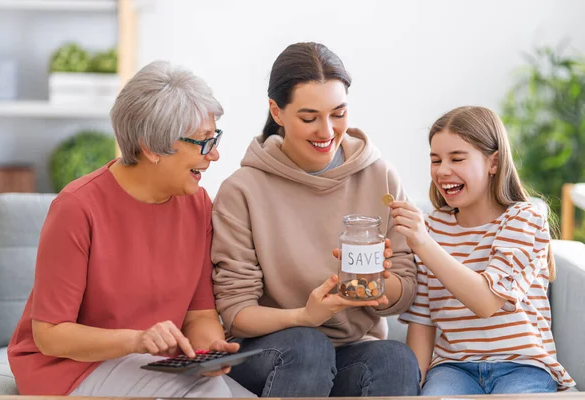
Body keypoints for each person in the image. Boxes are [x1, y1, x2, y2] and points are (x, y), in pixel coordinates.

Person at [7, 60, 254, 398]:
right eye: (202, 142)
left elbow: (199, 314)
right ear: (152, 147)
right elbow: (50, 334)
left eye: (214, 139)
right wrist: (136, 339)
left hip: (145, 362)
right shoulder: (76, 208)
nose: (214, 155)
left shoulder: (197, 205)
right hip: (68, 368)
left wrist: (210, 350)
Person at [211, 42, 421, 397]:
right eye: (309, 118)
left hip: (351, 349)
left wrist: (378, 284)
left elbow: (405, 289)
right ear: (276, 112)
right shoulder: (242, 191)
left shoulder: (381, 178)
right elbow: (236, 311)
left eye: (338, 114)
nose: (326, 131)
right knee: (309, 346)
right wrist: (304, 317)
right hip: (271, 350)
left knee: (396, 358)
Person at [394, 106, 576, 395]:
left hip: (523, 364)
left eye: (457, 158)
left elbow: (487, 301)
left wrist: (425, 244)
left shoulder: (523, 219)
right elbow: (423, 321)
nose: (442, 171)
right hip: (453, 367)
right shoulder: (433, 226)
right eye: (435, 159)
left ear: (493, 162)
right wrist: (413, 387)